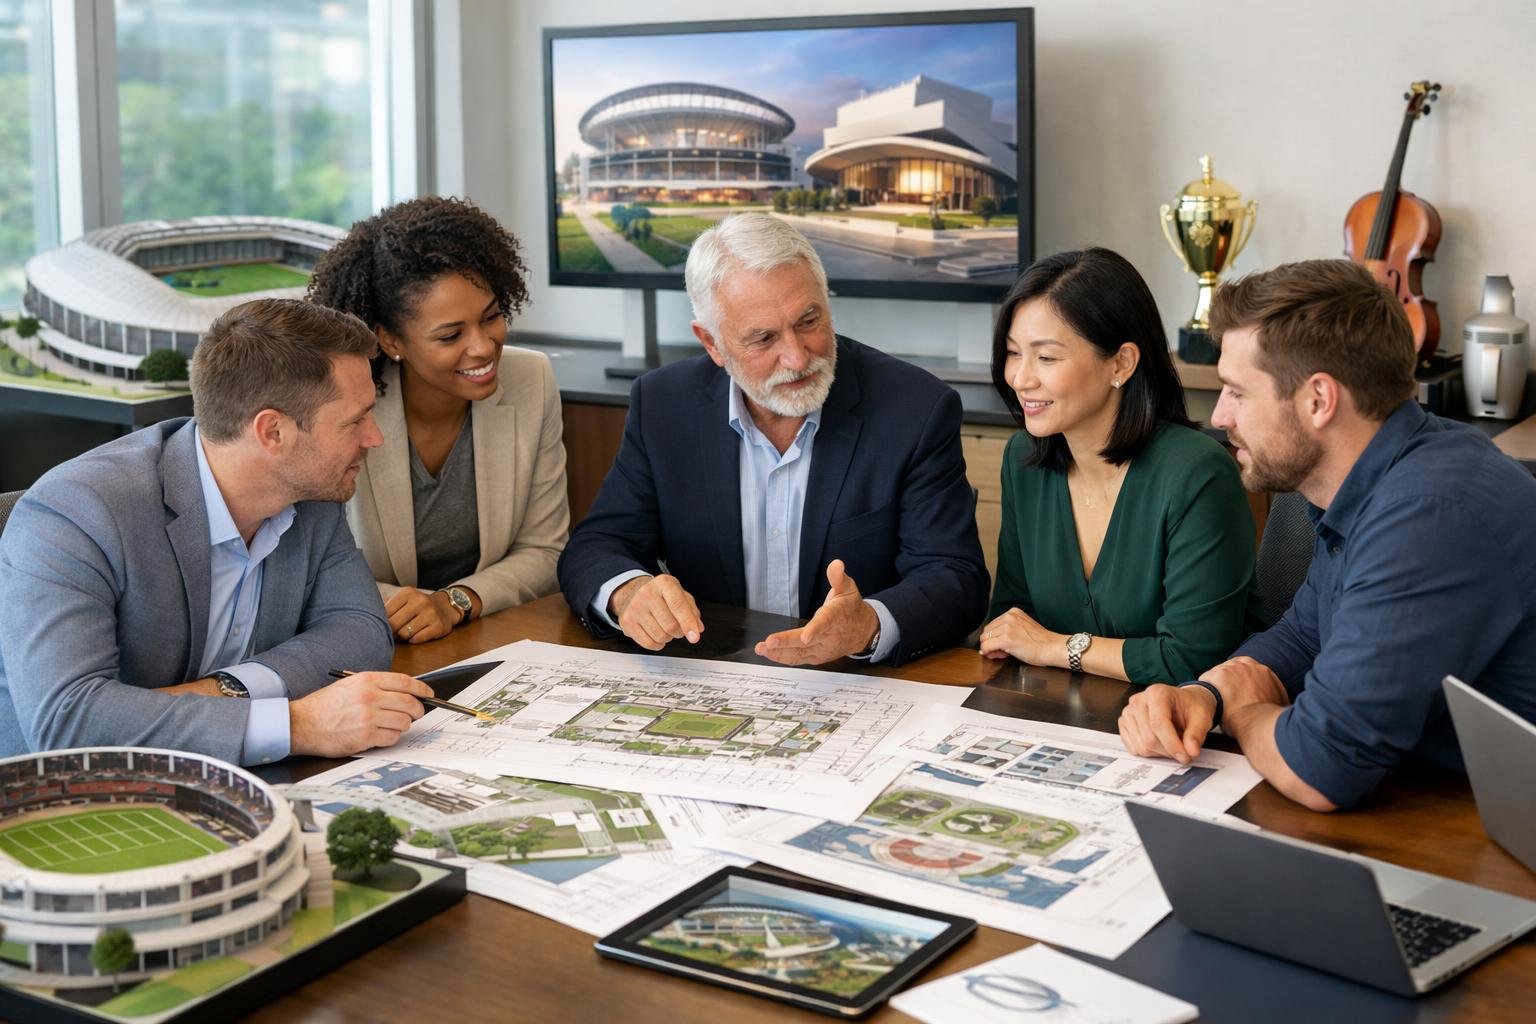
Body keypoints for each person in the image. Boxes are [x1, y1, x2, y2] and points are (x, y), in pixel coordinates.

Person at [1118, 259, 1536, 810]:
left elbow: (1322, 768)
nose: (1220, 416)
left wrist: (1243, 712)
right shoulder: (1372, 478)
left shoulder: (1427, 514)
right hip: (1448, 801)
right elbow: (1303, 637)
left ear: (1318, 399)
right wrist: (1208, 694)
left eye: (1237, 393)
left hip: (1486, 831)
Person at [0, 299, 435, 766]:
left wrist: (225, 691)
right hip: (69, 805)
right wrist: (298, 724)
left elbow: (361, 632)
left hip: (233, 776)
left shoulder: (309, 492)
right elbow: (67, 723)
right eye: (354, 420)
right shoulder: (76, 512)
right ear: (273, 432)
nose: (375, 437)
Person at [557, 214, 988, 666]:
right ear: (712, 344)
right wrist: (628, 593)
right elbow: (597, 544)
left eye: (809, 321)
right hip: (716, 675)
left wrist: (870, 625)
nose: (798, 356)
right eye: (763, 338)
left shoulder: (915, 407)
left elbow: (954, 576)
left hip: (860, 682)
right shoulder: (664, 404)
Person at [979, 249, 1259, 685]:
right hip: (1062, 719)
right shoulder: (1023, 459)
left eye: (1047, 358)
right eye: (1014, 353)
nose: (1020, 378)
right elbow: (1010, 624)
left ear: (1121, 363)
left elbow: (1191, 658)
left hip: (1179, 731)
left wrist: (1056, 647)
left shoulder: (1197, 474)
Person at [307, 195, 569, 645]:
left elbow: (545, 551)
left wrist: (454, 603)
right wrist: (406, 607)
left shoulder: (532, 380)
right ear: (390, 340)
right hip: (370, 639)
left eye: (492, 317)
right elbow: (306, 569)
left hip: (488, 634)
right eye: (451, 335)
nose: (484, 347)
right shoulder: (338, 409)